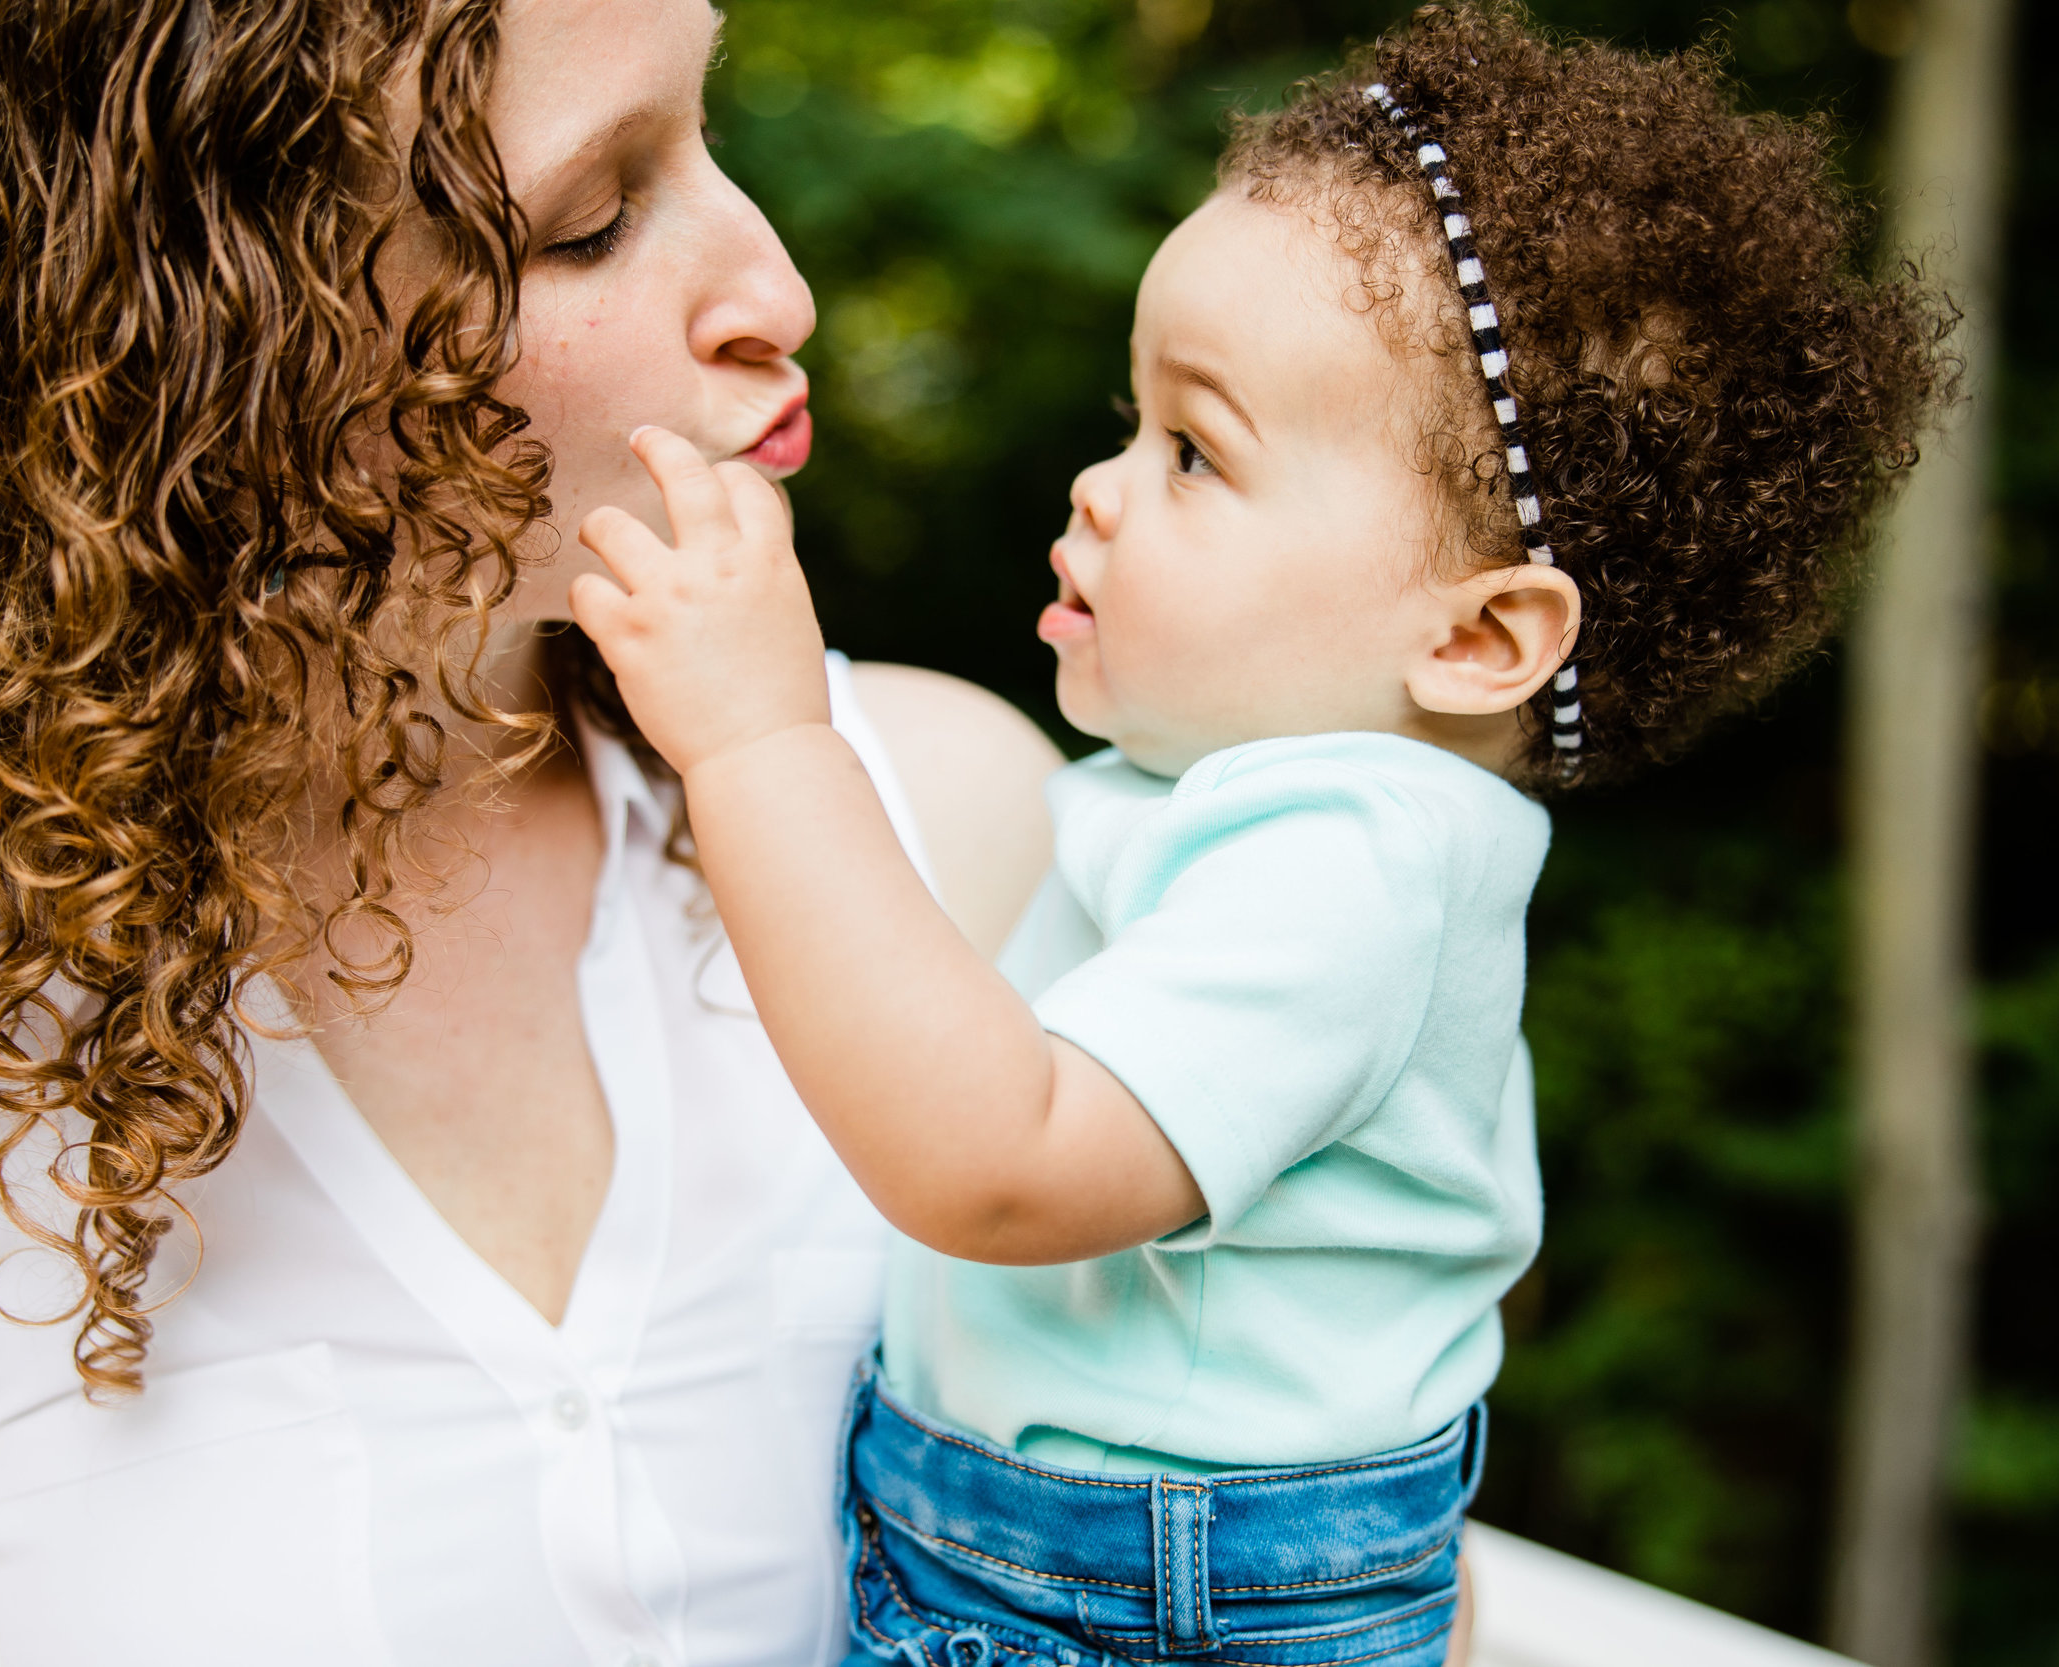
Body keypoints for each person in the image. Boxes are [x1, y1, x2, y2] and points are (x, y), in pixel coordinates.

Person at [0, 1, 1066, 1662]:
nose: (775, 292)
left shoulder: (960, 829)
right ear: (210, 345)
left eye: (709, 128)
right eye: (589, 222)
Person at [565, 5, 1951, 1663]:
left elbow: (999, 1166)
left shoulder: (1353, 863)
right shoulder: (1243, 805)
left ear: (1479, 640)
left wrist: (757, 740)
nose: (1100, 485)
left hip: (1140, 1603)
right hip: (1051, 1552)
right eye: (1132, 417)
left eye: (1197, 451)